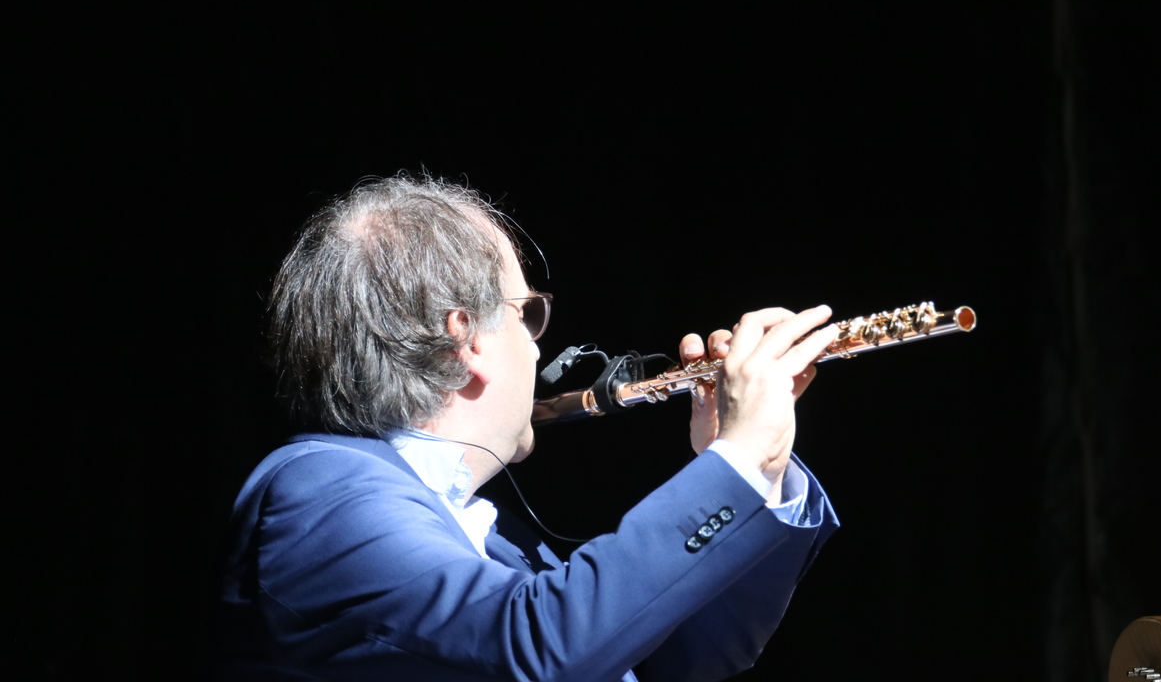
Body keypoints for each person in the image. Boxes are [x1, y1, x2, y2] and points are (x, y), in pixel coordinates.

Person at [213, 175, 841, 681]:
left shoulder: (495, 538)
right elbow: (539, 649)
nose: (538, 349)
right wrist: (737, 459)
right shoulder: (319, 489)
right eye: (527, 315)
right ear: (466, 340)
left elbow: (675, 660)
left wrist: (758, 465)